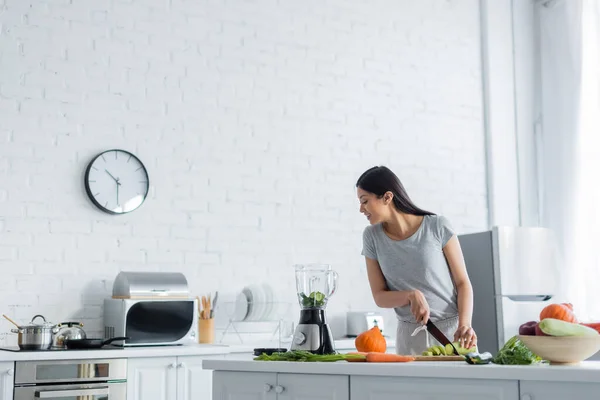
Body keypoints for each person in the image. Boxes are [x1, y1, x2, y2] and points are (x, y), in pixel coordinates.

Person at [356, 166, 477, 355]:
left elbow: (463, 283)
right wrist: (410, 295)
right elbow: (379, 296)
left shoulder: (437, 226)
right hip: (409, 339)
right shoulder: (371, 236)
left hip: (453, 335)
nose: (361, 209)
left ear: (387, 197)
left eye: (365, 201)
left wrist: (465, 324)